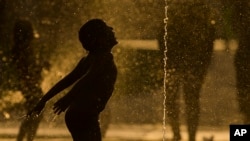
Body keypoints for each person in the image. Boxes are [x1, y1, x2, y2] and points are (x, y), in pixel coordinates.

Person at [28, 19, 118, 141]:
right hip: (84, 114)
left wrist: (44, 100)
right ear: (100, 39)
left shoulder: (89, 59)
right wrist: (68, 99)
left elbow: (67, 80)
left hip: (80, 114)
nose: (112, 28)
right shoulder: (104, 58)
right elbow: (87, 78)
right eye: (107, 27)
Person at [158, 1, 215, 141]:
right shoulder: (200, 10)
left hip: (178, 60)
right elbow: (209, 38)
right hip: (190, 62)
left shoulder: (175, 10)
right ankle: (187, 135)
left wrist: (163, 60)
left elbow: (162, 34)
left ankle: (180, 134)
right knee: (190, 99)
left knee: (179, 99)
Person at [11, 19, 48, 141]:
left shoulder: (19, 49)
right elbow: (29, 70)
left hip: (26, 84)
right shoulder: (25, 49)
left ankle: (23, 139)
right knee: (36, 112)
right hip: (30, 84)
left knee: (32, 112)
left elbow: (23, 69)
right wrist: (42, 65)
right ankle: (26, 139)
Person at [232, 1, 250, 124]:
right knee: (244, 90)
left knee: (244, 90)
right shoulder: (241, 7)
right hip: (244, 55)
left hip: (244, 55)